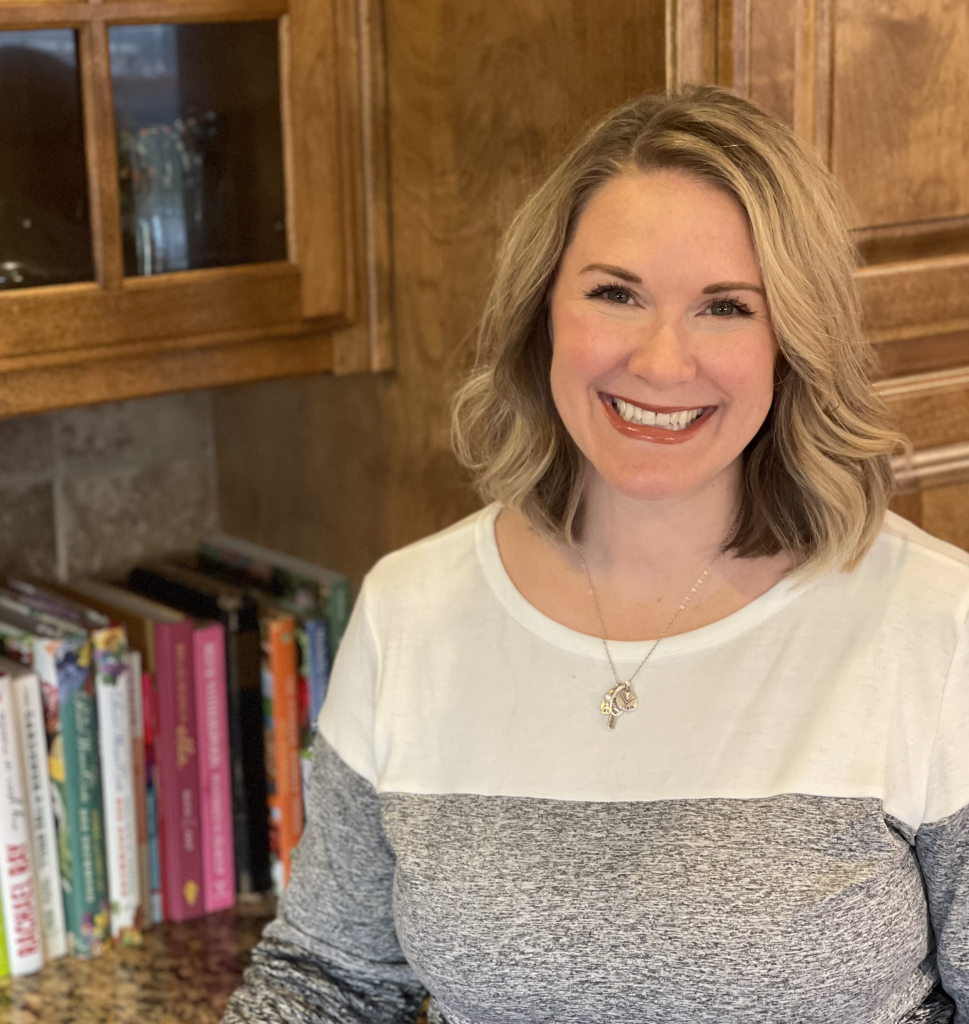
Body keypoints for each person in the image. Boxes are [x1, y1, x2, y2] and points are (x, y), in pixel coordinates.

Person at [222, 86, 968, 1024]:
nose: (661, 363)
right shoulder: (411, 610)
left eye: (726, 307)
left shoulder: (934, 625)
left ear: (792, 344)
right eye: (616, 293)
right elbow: (328, 979)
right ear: (543, 313)